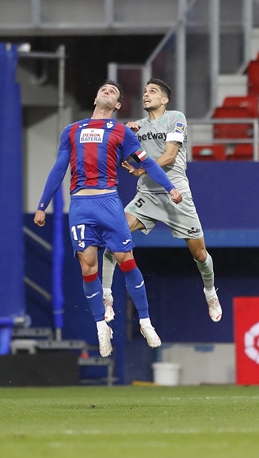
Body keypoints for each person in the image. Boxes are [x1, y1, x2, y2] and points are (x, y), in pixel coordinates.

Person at [33, 80, 183, 357]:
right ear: (95, 98)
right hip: (80, 204)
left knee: (125, 259)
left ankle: (145, 322)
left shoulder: (120, 131)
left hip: (108, 202)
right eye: (104, 88)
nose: (108, 90)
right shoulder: (72, 130)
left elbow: (146, 162)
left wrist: (170, 187)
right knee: (88, 267)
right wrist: (43, 205)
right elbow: (58, 168)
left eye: (114, 91)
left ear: (117, 106)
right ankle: (102, 327)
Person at [101, 78, 221, 324]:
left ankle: (210, 292)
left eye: (153, 92)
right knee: (113, 236)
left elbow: (169, 156)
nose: (146, 95)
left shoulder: (176, 118)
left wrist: (142, 170)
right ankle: (106, 296)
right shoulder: (138, 126)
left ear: (164, 100)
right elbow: (121, 156)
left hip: (176, 194)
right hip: (147, 195)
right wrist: (126, 136)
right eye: (145, 91)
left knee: (199, 255)